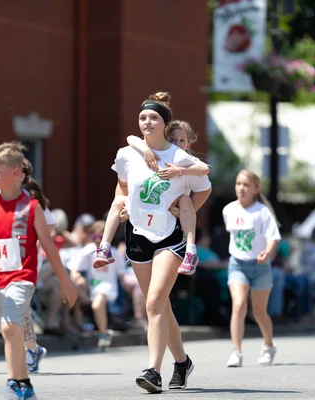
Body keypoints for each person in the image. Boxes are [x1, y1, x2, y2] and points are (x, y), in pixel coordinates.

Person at [109, 92, 212, 393]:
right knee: (161, 306)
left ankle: (153, 370)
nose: (147, 121)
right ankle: (182, 362)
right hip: (138, 235)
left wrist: (185, 210)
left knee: (153, 302)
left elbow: (204, 187)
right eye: (143, 117)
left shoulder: (179, 157)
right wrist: (124, 205)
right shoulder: (128, 154)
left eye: (153, 117)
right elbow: (121, 187)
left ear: (164, 124)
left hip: (170, 237)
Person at [0, 142, 78, 400]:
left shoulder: (32, 208)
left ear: (17, 173)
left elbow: (51, 249)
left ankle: (11, 382)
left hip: (23, 277)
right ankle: (24, 383)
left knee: (10, 327)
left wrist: (65, 283)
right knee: (9, 328)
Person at [94, 120, 210, 276]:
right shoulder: (151, 156)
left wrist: (184, 213)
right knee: (119, 200)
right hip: (142, 228)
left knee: (185, 199)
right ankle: (104, 247)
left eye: (181, 140)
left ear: (188, 144)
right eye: (172, 140)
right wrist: (146, 150)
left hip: (169, 229)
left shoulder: (186, 161)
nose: (176, 143)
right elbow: (131, 138)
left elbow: (204, 171)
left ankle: (190, 251)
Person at [0, 158, 55, 373]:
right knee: (4, 318)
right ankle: (31, 349)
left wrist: (34, 243)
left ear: (19, 174)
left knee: (19, 310)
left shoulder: (30, 197)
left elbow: (51, 223)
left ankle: (26, 355)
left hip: (24, 263)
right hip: (0, 261)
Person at [222, 170, 281, 368]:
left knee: (259, 312)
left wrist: (267, 252)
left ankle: (268, 345)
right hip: (238, 264)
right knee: (238, 305)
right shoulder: (229, 210)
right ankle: (236, 351)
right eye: (238, 184)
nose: (241, 188)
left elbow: (273, 236)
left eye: (246, 185)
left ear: (256, 189)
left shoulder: (262, 212)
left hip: (260, 266)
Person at [68, 220, 127, 350]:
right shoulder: (89, 250)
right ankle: (79, 323)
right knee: (74, 284)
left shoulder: (114, 252)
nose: (97, 241)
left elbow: (121, 273)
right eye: (94, 237)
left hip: (107, 286)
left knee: (97, 304)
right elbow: (73, 267)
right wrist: (76, 276)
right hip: (91, 287)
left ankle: (103, 333)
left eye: (100, 238)